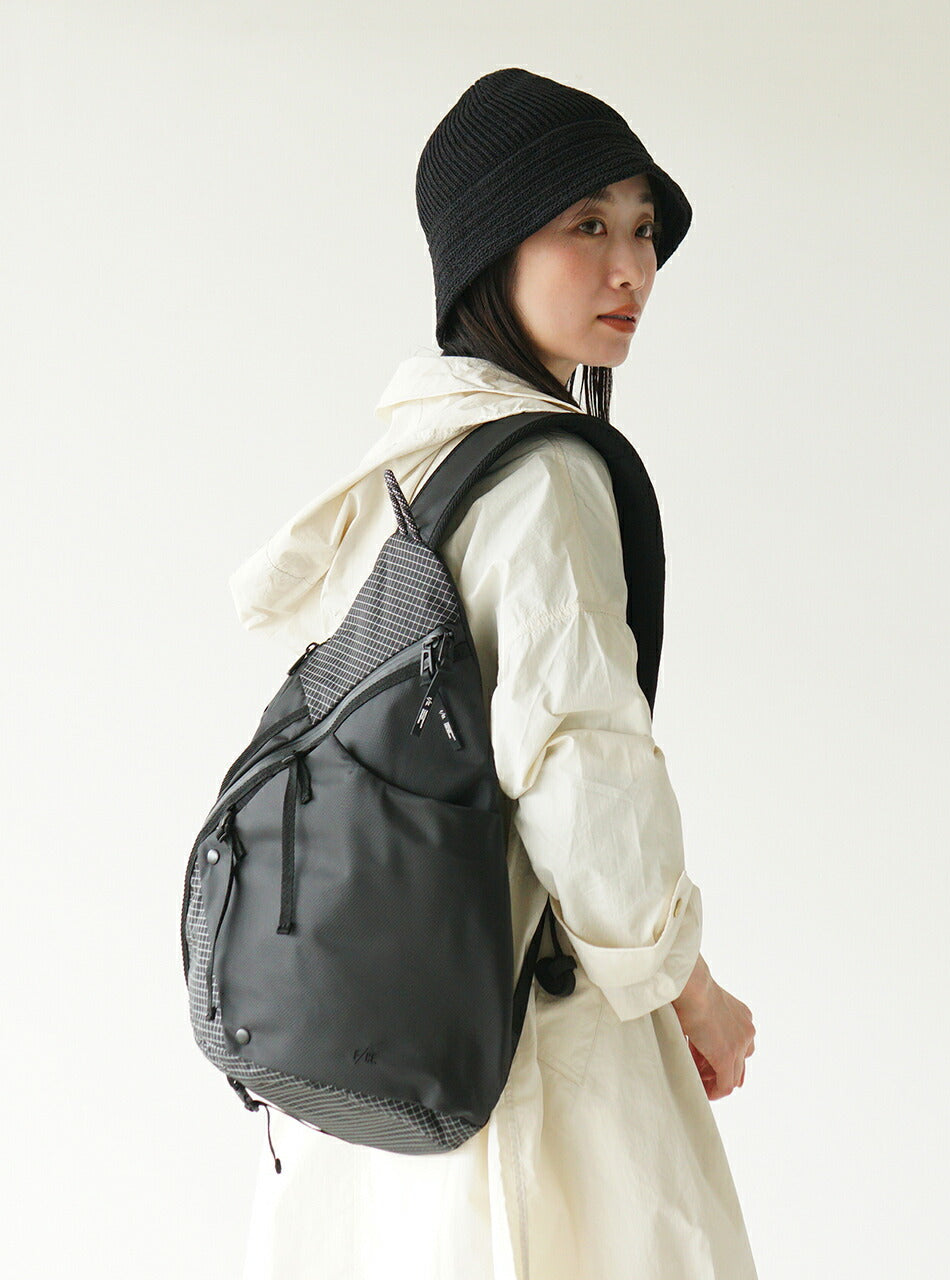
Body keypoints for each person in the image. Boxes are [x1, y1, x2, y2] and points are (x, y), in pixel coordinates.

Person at [230, 66, 758, 1280]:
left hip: (385, 1049)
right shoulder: (542, 473)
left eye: (642, 229)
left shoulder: (415, 465)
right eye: (586, 225)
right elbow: (580, 769)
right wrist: (689, 988)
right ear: (488, 249)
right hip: (528, 1041)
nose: (631, 268)